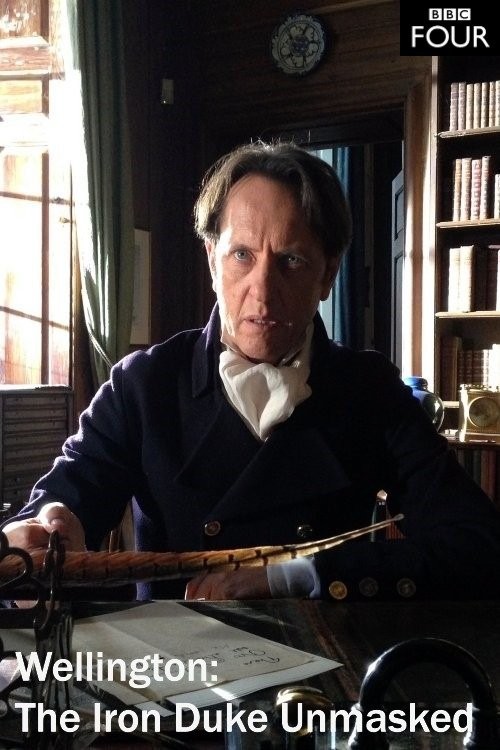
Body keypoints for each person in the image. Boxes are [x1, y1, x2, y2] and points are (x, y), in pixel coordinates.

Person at [3, 141, 500, 602]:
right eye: (242, 255)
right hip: (174, 658)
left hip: (319, 656)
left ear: (328, 274)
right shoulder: (144, 383)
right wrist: (49, 525)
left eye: (291, 260)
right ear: (212, 261)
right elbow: (65, 496)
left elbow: (478, 544)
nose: (262, 291)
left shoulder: (369, 391)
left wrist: (298, 576)